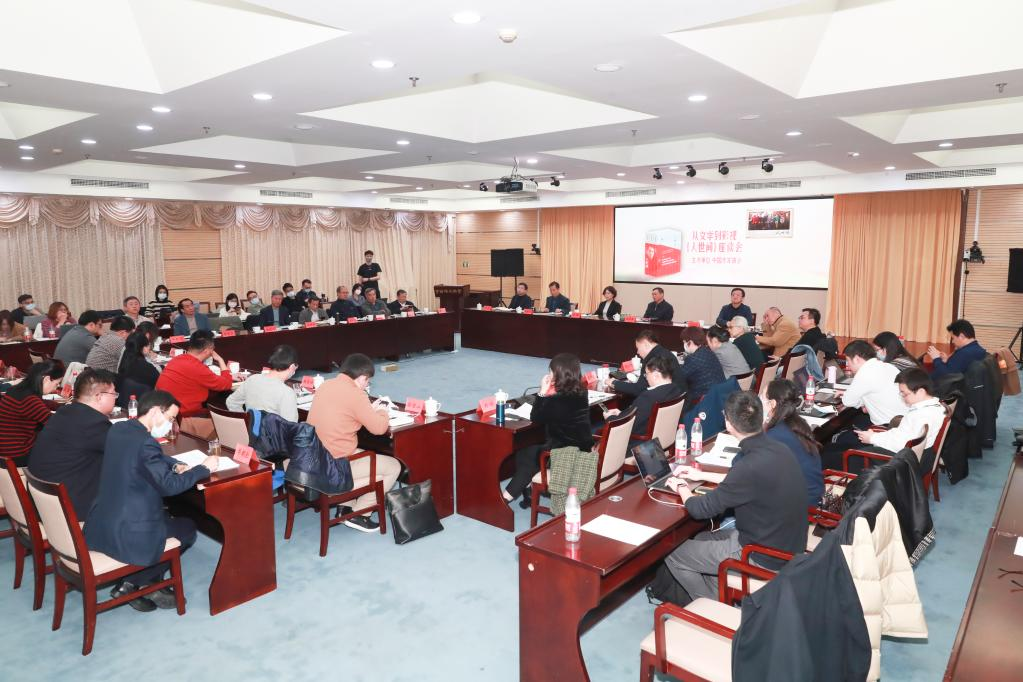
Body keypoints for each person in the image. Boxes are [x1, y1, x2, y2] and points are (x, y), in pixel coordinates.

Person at [652, 391, 807, 605]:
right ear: (762, 417)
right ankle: (721, 592)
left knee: (672, 553)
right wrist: (701, 475)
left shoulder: (748, 465)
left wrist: (681, 487)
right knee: (701, 538)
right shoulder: (778, 449)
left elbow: (700, 509)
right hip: (786, 545)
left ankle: (711, 606)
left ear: (728, 423)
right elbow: (745, 481)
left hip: (759, 554)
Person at [84, 390, 218, 612]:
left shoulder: (120, 429)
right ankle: (133, 583)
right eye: (171, 418)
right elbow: (169, 487)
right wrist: (203, 469)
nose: (171, 424)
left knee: (168, 518)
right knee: (187, 528)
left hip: (105, 518)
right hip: (130, 528)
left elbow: (147, 456)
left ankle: (152, 582)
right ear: (155, 412)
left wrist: (173, 464)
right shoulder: (146, 443)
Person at [306, 353, 401, 532]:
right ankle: (360, 514)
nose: (367, 385)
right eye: (367, 381)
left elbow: (344, 413)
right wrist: (382, 411)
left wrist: (367, 411)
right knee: (394, 466)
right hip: (334, 465)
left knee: (358, 451)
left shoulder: (326, 385)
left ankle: (345, 507)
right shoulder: (357, 394)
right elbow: (379, 428)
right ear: (362, 378)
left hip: (313, 458)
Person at [502, 353, 594, 508]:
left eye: (551, 371)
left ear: (558, 374)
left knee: (527, 455)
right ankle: (527, 491)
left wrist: (542, 392)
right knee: (528, 451)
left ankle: (506, 498)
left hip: (564, 457)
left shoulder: (556, 401)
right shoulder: (582, 392)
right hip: (581, 450)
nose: (549, 374)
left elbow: (536, 417)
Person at [28, 369, 117, 517]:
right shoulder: (93, 423)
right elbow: (125, 450)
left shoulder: (64, 412)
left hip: (42, 504)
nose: (115, 398)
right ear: (99, 397)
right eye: (113, 394)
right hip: (68, 511)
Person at [155, 330, 232, 440]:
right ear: (207, 351)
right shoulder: (197, 368)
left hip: (164, 413)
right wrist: (220, 360)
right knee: (228, 420)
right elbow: (227, 384)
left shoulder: (176, 359)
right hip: (185, 417)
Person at [852, 368, 947, 456]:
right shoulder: (933, 407)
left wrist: (873, 438)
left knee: (850, 455)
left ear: (921, 392)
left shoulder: (923, 416)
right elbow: (901, 434)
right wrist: (876, 436)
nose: (902, 397)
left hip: (902, 461)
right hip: (905, 453)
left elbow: (904, 445)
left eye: (904, 394)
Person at [761, 379, 824, 507]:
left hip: (800, 505)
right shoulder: (798, 423)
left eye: (762, 397)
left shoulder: (775, 435)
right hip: (813, 495)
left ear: (772, 403)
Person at [603, 354, 683, 439]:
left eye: (646, 374)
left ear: (656, 375)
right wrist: (622, 413)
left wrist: (609, 418)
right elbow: (641, 415)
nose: (646, 378)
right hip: (666, 437)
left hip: (639, 441)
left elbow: (623, 427)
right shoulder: (676, 390)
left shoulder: (648, 397)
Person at [0, 360, 63, 466]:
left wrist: (59, 406)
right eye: (56, 383)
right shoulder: (30, 400)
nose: (56, 388)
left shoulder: (17, 390)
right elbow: (56, 424)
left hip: (5, 449)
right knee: (60, 442)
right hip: (16, 454)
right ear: (46, 379)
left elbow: (40, 404)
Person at [840, 340, 907, 426]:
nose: (848, 365)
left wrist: (862, 403)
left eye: (848, 360)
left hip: (890, 426)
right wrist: (863, 402)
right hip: (906, 421)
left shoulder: (864, 373)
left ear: (856, 359)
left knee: (844, 430)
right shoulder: (888, 366)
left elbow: (847, 401)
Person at [226, 344, 299, 422]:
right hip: (271, 430)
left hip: (250, 429)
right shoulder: (287, 393)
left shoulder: (252, 379)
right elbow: (291, 426)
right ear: (292, 367)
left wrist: (246, 423)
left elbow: (231, 402)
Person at [612, 329, 681, 397]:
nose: (637, 352)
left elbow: (638, 390)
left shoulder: (651, 360)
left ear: (646, 344)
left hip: (663, 399)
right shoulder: (667, 353)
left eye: (638, 348)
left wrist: (614, 383)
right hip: (676, 397)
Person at [676, 326, 726, 404]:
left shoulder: (693, 359)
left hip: (703, 399)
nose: (684, 344)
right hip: (718, 395)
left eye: (684, 342)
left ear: (690, 342)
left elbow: (679, 377)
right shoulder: (707, 351)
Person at [116, 331, 162, 405]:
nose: (149, 347)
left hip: (125, 402)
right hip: (145, 403)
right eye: (148, 345)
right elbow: (159, 381)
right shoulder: (146, 367)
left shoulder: (124, 361)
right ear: (144, 348)